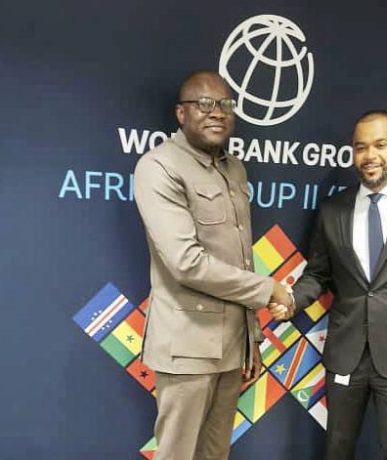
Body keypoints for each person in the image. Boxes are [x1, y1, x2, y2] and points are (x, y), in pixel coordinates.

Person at [270, 110, 387, 459]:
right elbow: (318, 275)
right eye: (361, 147)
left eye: (380, 145)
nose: (369, 155)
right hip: (345, 353)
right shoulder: (332, 210)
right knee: (337, 449)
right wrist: (293, 301)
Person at [134, 70, 291, 460]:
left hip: (231, 348)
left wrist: (251, 340)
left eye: (225, 105)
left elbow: (240, 258)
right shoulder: (158, 166)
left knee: (215, 454)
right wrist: (268, 289)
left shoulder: (234, 168)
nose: (217, 112)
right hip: (187, 348)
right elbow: (186, 263)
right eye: (204, 104)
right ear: (181, 113)